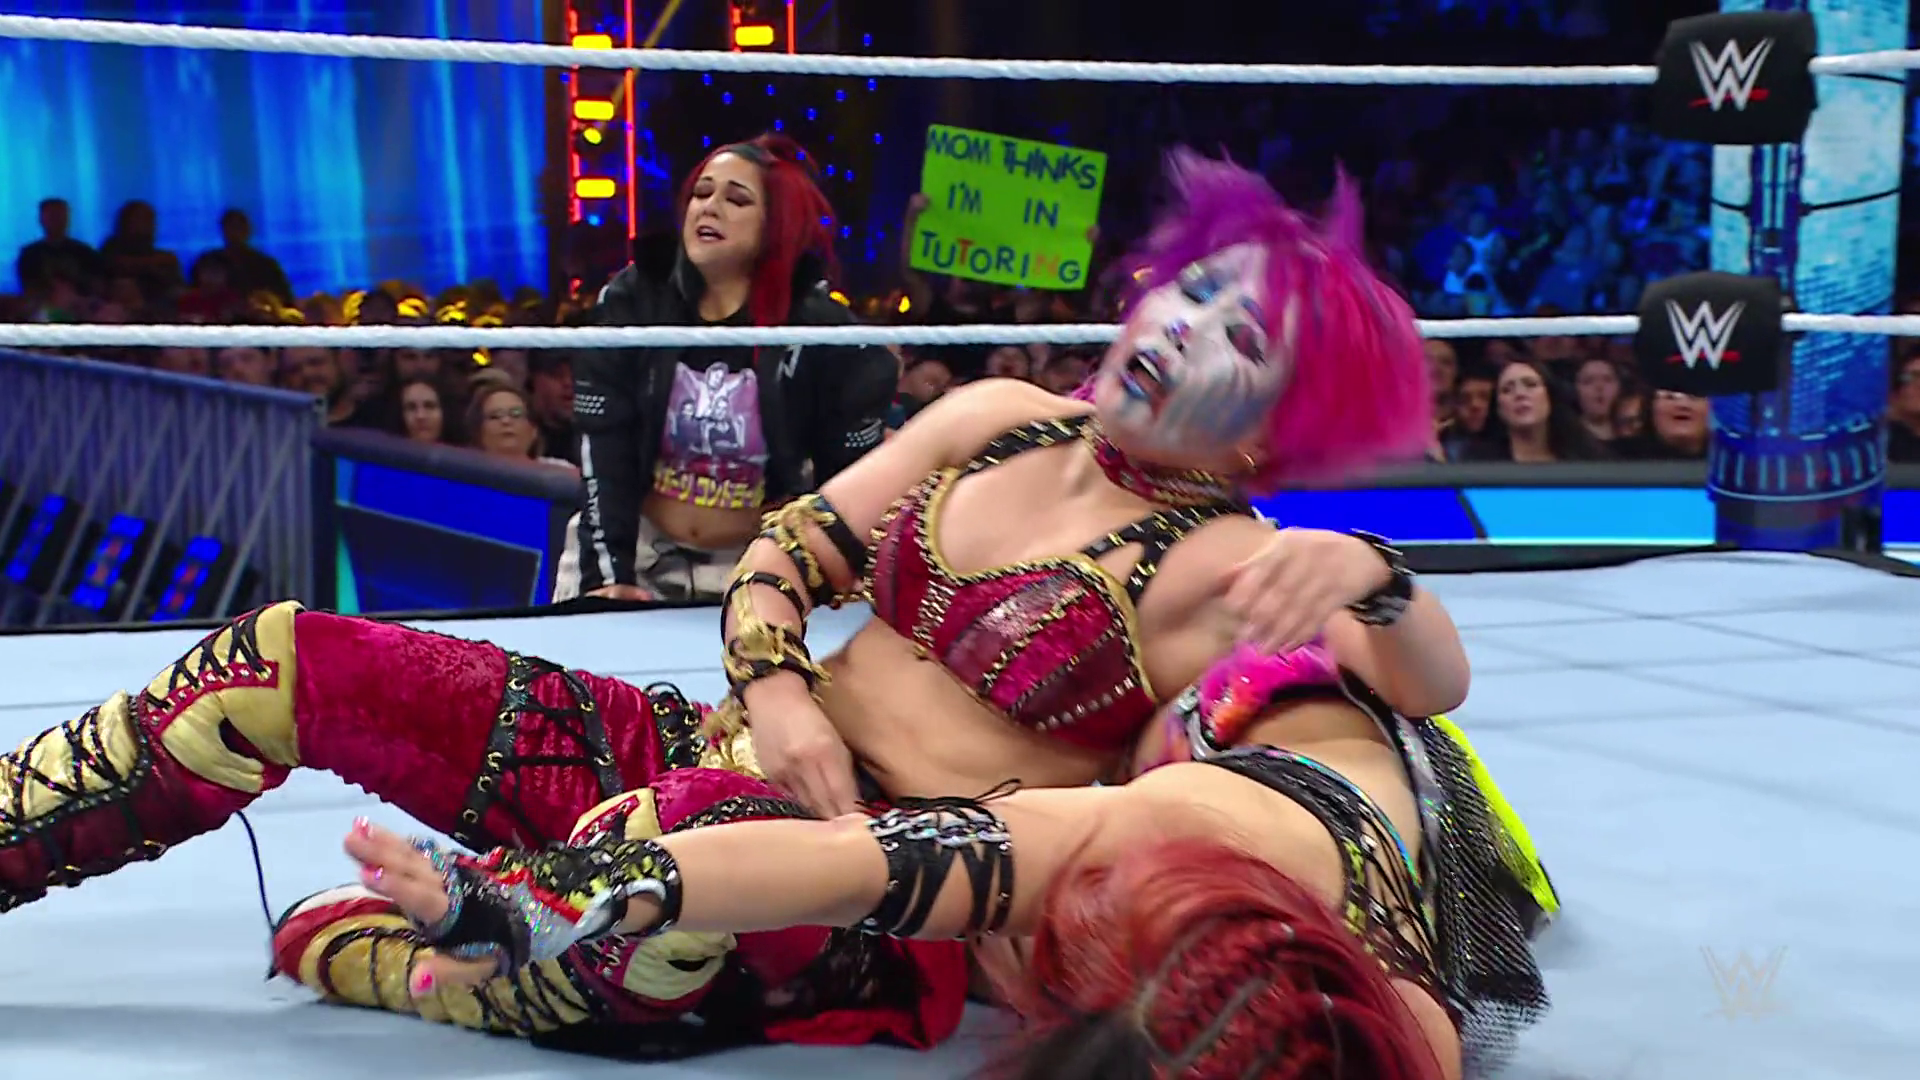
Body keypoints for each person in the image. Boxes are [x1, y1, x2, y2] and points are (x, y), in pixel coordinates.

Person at [0, 149, 1440, 1055]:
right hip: (708, 741)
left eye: (1243, 335)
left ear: (1282, 424)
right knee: (284, 656)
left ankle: (397, 954)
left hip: (858, 892)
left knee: (664, 863)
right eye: (1195, 287)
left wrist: (1380, 576)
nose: (1185, 327)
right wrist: (779, 689)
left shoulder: (1231, 567)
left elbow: (1428, 689)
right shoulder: (1000, 415)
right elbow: (783, 555)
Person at [345, 640, 1555, 1079]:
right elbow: (845, 861)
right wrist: (565, 896)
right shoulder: (1136, 829)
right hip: (1269, 714)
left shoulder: (1394, 1036)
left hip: (1374, 817)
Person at [561, 133, 899, 604]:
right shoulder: (633, 302)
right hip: (637, 548)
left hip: (758, 561)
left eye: (736, 199)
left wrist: (824, 576)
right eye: (701, 193)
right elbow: (603, 451)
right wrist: (606, 574)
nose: (710, 207)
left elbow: (849, 481)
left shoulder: (820, 330)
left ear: (774, 225)